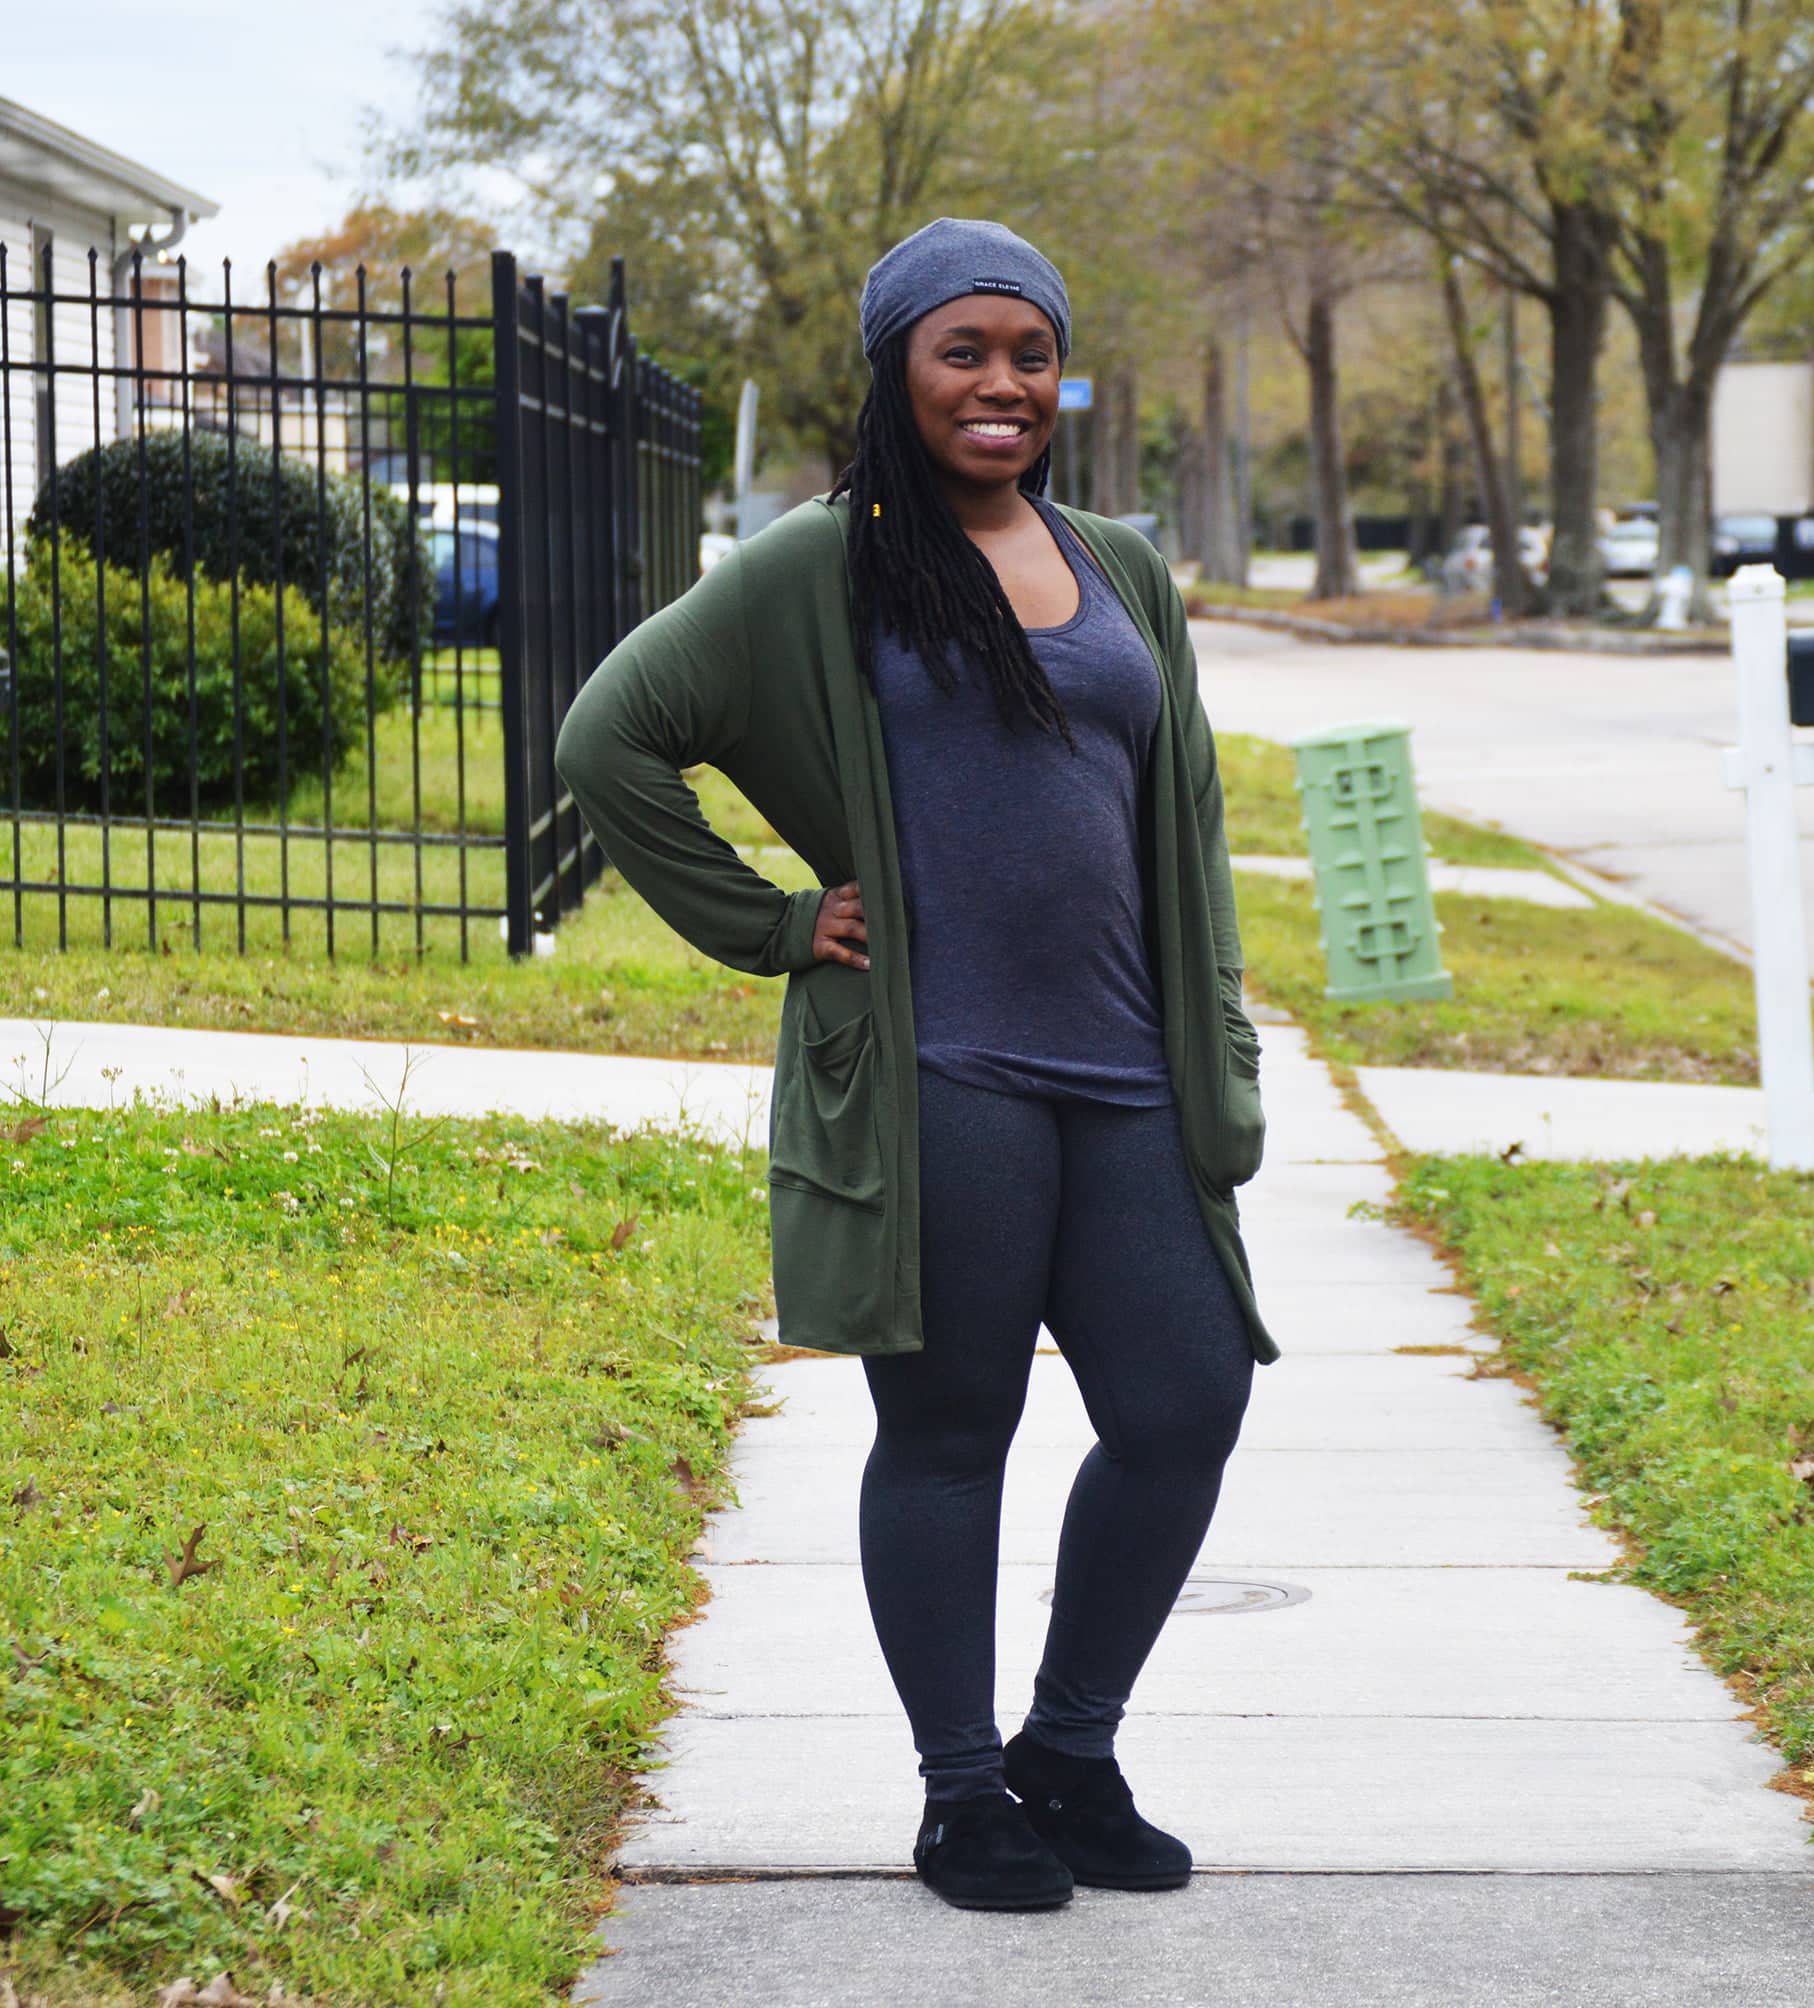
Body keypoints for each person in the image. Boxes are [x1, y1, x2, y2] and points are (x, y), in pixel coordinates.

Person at [553, 217, 1279, 1915]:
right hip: (941, 1066)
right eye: (964, 352)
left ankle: (1071, 1755)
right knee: (955, 1424)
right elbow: (611, 737)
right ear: (896, 369)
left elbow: (1187, 820)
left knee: (1184, 1405)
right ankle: (964, 1794)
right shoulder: (826, 563)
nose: (1002, 386)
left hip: (1122, 1071)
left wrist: (1216, 1036)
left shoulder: (1120, 562)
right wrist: (779, 921)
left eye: (1029, 354)